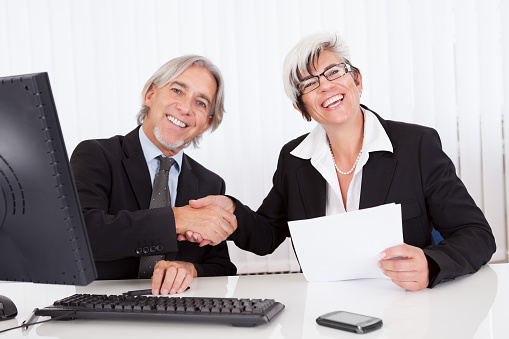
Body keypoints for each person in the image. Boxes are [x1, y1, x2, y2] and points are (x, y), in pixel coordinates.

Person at [184, 33, 496, 291]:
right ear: (302, 108)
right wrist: (232, 212)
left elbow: (476, 234)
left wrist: (431, 264)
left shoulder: (417, 145)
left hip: (406, 310)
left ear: (357, 80)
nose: (326, 86)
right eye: (309, 84)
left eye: (334, 72)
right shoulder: (294, 160)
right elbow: (267, 235)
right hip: (325, 311)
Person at [70, 55, 237, 295]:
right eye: (177, 90)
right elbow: (80, 236)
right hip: (103, 312)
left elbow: (222, 267)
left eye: (200, 103)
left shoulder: (210, 183)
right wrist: (176, 220)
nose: (185, 108)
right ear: (150, 95)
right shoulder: (97, 155)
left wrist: (190, 268)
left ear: (207, 122)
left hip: (178, 316)